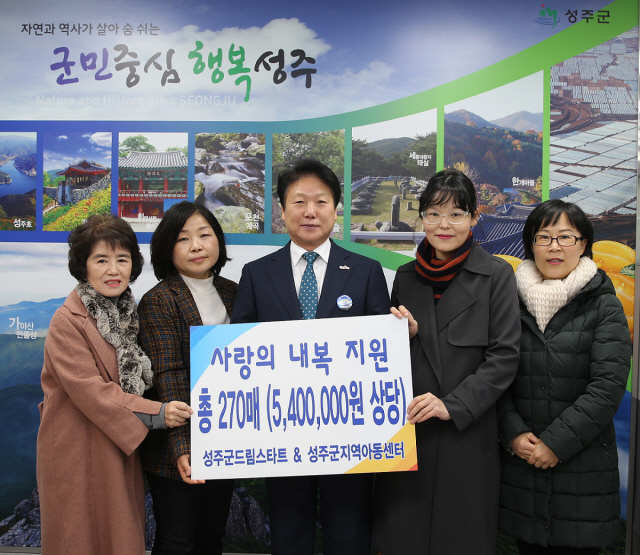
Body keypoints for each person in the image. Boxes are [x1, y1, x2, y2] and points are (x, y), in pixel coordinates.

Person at [231, 159, 391, 555]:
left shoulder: (367, 271)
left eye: (321, 201)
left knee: (349, 535)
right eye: (299, 201)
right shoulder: (256, 274)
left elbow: (382, 356)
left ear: (336, 209)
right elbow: (239, 356)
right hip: (281, 434)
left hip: (350, 435)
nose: (310, 211)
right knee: (288, 536)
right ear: (281, 209)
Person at [371, 168, 521, 554]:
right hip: (411, 432)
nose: (444, 225)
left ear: (473, 218)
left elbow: (504, 356)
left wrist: (451, 405)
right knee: (402, 539)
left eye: (456, 214)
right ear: (422, 217)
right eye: (434, 213)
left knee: (461, 540)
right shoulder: (406, 276)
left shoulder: (497, 275)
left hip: (466, 437)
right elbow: (386, 360)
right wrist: (402, 338)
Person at [37, 215, 192, 555]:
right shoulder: (67, 320)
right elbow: (92, 391)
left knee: (119, 537)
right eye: (101, 260)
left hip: (117, 445)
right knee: (80, 539)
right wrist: (159, 412)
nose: (113, 270)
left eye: (122, 259)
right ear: (83, 266)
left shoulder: (127, 314)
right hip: (77, 451)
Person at [498, 199, 631, 554]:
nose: (554, 246)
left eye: (565, 237)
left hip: (582, 474)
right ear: (531, 245)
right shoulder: (509, 302)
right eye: (543, 237)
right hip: (523, 470)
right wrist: (512, 433)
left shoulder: (604, 304)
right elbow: (495, 374)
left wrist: (556, 444)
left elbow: (607, 387)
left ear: (583, 244)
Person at [138, 201, 236, 555]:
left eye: (205, 235)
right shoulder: (159, 300)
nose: (196, 246)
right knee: (176, 541)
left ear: (218, 241)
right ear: (167, 248)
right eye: (183, 239)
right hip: (175, 447)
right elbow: (169, 375)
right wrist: (184, 447)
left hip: (226, 440)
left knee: (212, 536)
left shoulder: (235, 292)